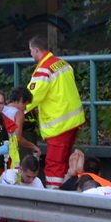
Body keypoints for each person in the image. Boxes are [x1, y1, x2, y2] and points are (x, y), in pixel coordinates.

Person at [24, 35, 85, 189]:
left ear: (36, 50)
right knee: (64, 163)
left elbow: (31, 97)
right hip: (72, 121)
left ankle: (54, 196)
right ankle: (65, 192)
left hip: (58, 124)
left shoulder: (43, 70)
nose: (31, 55)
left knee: (54, 165)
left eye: (31, 51)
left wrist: (14, 109)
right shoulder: (62, 64)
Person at [2, 86, 40, 156]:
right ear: (21, 99)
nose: (25, 108)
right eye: (25, 104)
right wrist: (33, 146)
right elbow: (17, 138)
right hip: (10, 151)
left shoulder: (1, 108)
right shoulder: (18, 114)